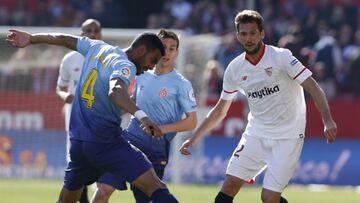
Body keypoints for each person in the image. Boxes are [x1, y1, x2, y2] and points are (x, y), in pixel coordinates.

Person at [179, 10, 337, 203]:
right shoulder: (235, 68)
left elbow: (313, 87)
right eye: (244, 34)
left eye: (253, 33)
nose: (249, 38)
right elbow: (221, 109)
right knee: (229, 185)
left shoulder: (281, 57)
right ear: (238, 36)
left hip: (288, 136)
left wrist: (327, 120)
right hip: (257, 133)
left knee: (269, 198)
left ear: (262, 33)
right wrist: (194, 138)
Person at [6, 29, 179, 203]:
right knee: (156, 187)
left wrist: (32, 38)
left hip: (79, 145)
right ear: (141, 50)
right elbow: (116, 91)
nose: (151, 67)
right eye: (152, 60)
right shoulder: (125, 65)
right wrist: (143, 117)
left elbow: (63, 39)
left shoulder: (97, 47)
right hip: (106, 143)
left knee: (66, 200)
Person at [92, 28, 198, 203]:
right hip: (129, 141)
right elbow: (130, 104)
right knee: (103, 189)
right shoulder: (140, 74)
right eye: (164, 46)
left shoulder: (181, 84)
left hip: (155, 150)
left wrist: (162, 129)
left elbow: (191, 121)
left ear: (177, 52)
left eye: (172, 48)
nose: (167, 51)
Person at [56, 18, 102, 203]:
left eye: (96, 30)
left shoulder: (107, 57)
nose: (92, 34)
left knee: (99, 159)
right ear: (81, 34)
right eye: (88, 30)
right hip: (75, 118)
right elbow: (60, 87)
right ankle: (81, 199)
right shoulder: (69, 59)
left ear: (101, 34)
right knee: (76, 158)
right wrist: (64, 96)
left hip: (99, 116)